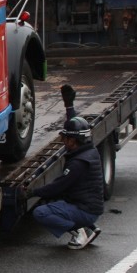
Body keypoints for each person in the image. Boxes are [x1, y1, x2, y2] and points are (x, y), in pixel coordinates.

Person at [29, 84, 104, 249]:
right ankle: (88, 226)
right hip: (88, 206)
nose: (63, 141)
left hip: (85, 209)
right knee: (50, 203)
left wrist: (31, 193)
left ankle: (80, 231)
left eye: (66, 139)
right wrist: (69, 105)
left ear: (73, 141)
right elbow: (76, 127)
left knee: (40, 212)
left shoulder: (78, 163)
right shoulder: (87, 148)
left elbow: (58, 186)